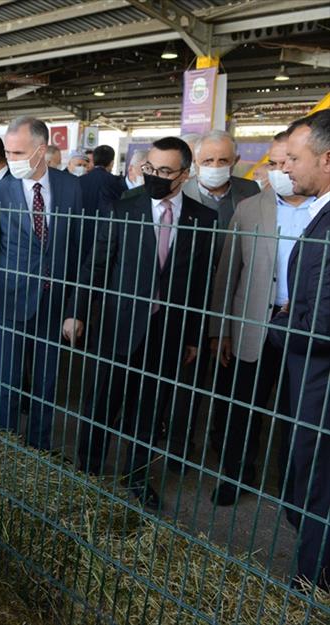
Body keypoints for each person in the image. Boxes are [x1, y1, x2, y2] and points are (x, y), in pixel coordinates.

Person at [63, 137, 216, 509]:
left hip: (168, 331)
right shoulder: (122, 208)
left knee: (150, 409)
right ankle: (89, 469)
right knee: (101, 402)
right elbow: (96, 265)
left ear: (184, 174)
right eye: (150, 169)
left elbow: (202, 283)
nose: (155, 177)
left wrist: (194, 336)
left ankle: (135, 476)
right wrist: (78, 311)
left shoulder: (204, 218)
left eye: (165, 172)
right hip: (119, 325)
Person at [0, 116, 83, 451]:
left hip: (54, 302)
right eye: (9, 153)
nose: (11, 160)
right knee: (8, 381)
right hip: (9, 301)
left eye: (17, 153)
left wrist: (75, 309)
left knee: (46, 382)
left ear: (41, 150)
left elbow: (81, 254)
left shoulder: (72, 188)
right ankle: (7, 447)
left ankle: (40, 447)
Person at [207, 131, 315, 507]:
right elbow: (228, 273)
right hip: (253, 322)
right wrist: (220, 330)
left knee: (296, 412)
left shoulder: (322, 210)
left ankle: (292, 488)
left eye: (288, 161)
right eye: (273, 162)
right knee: (242, 406)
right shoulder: (251, 208)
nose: (280, 169)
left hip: (302, 325)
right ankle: (235, 474)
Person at [168, 130, 261, 467]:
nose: (216, 166)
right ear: (195, 164)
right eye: (208, 160)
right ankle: (178, 447)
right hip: (191, 304)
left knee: (227, 385)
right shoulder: (180, 192)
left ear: (235, 162)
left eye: (223, 160)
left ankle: (223, 450)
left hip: (234, 305)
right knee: (185, 384)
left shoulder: (250, 192)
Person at [267, 109, 330, 590]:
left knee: (317, 483)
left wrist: (276, 325)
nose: (286, 168)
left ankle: (312, 582)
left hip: (320, 383)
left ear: (326, 160)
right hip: (310, 375)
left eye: (296, 158)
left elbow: (320, 328)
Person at [80, 145, 123, 247]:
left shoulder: (80, 180)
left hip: (82, 231)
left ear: (93, 161)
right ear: (112, 163)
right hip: (105, 234)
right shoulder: (116, 182)